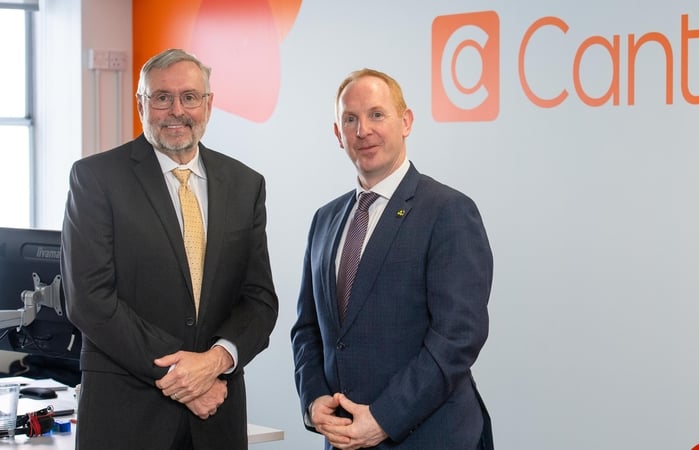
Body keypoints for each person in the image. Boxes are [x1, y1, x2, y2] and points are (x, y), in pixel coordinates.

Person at [60, 48, 279, 449]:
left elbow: (259, 300)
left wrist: (215, 362)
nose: (177, 110)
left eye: (189, 97)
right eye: (162, 97)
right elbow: (89, 300)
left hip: (217, 417)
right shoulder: (96, 179)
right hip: (127, 418)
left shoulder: (246, 184)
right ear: (141, 104)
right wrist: (186, 378)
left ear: (208, 105)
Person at [291, 68, 494, 450]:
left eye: (377, 115)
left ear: (406, 122)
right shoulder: (325, 220)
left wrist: (384, 418)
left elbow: (457, 337)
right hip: (344, 440)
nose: (363, 130)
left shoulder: (448, 211)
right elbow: (307, 329)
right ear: (338, 134)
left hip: (431, 439)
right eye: (350, 119)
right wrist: (314, 400)